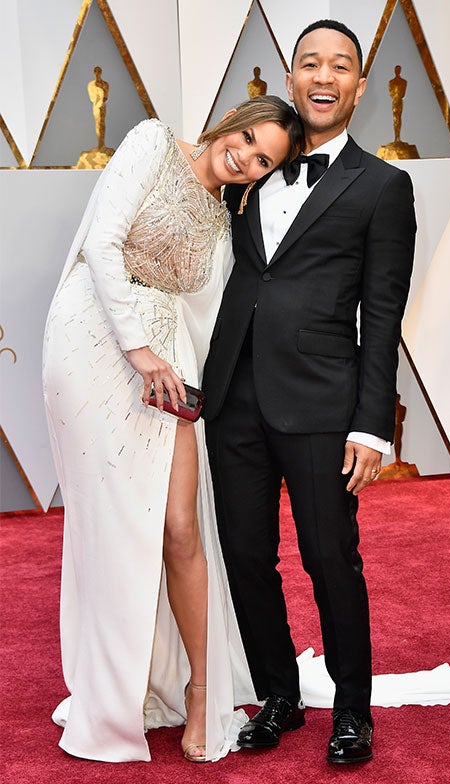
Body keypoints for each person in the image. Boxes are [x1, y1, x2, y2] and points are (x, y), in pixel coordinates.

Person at [42, 95, 303, 764]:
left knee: (181, 528)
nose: (245, 157)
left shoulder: (224, 220)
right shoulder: (152, 142)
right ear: (234, 120)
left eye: (263, 160)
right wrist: (138, 350)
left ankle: (198, 690)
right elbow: (101, 242)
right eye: (248, 137)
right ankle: (110, 695)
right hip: (92, 339)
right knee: (110, 524)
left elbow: (211, 315)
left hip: (167, 367)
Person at [202, 20, 416, 764]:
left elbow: (382, 315)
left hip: (324, 404)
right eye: (310, 64)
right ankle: (279, 696)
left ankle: (352, 711)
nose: (324, 76)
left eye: (341, 66)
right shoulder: (252, 164)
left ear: (360, 85)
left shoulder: (384, 186)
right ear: (289, 78)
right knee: (244, 555)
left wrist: (372, 425)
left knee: (331, 559)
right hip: (231, 396)